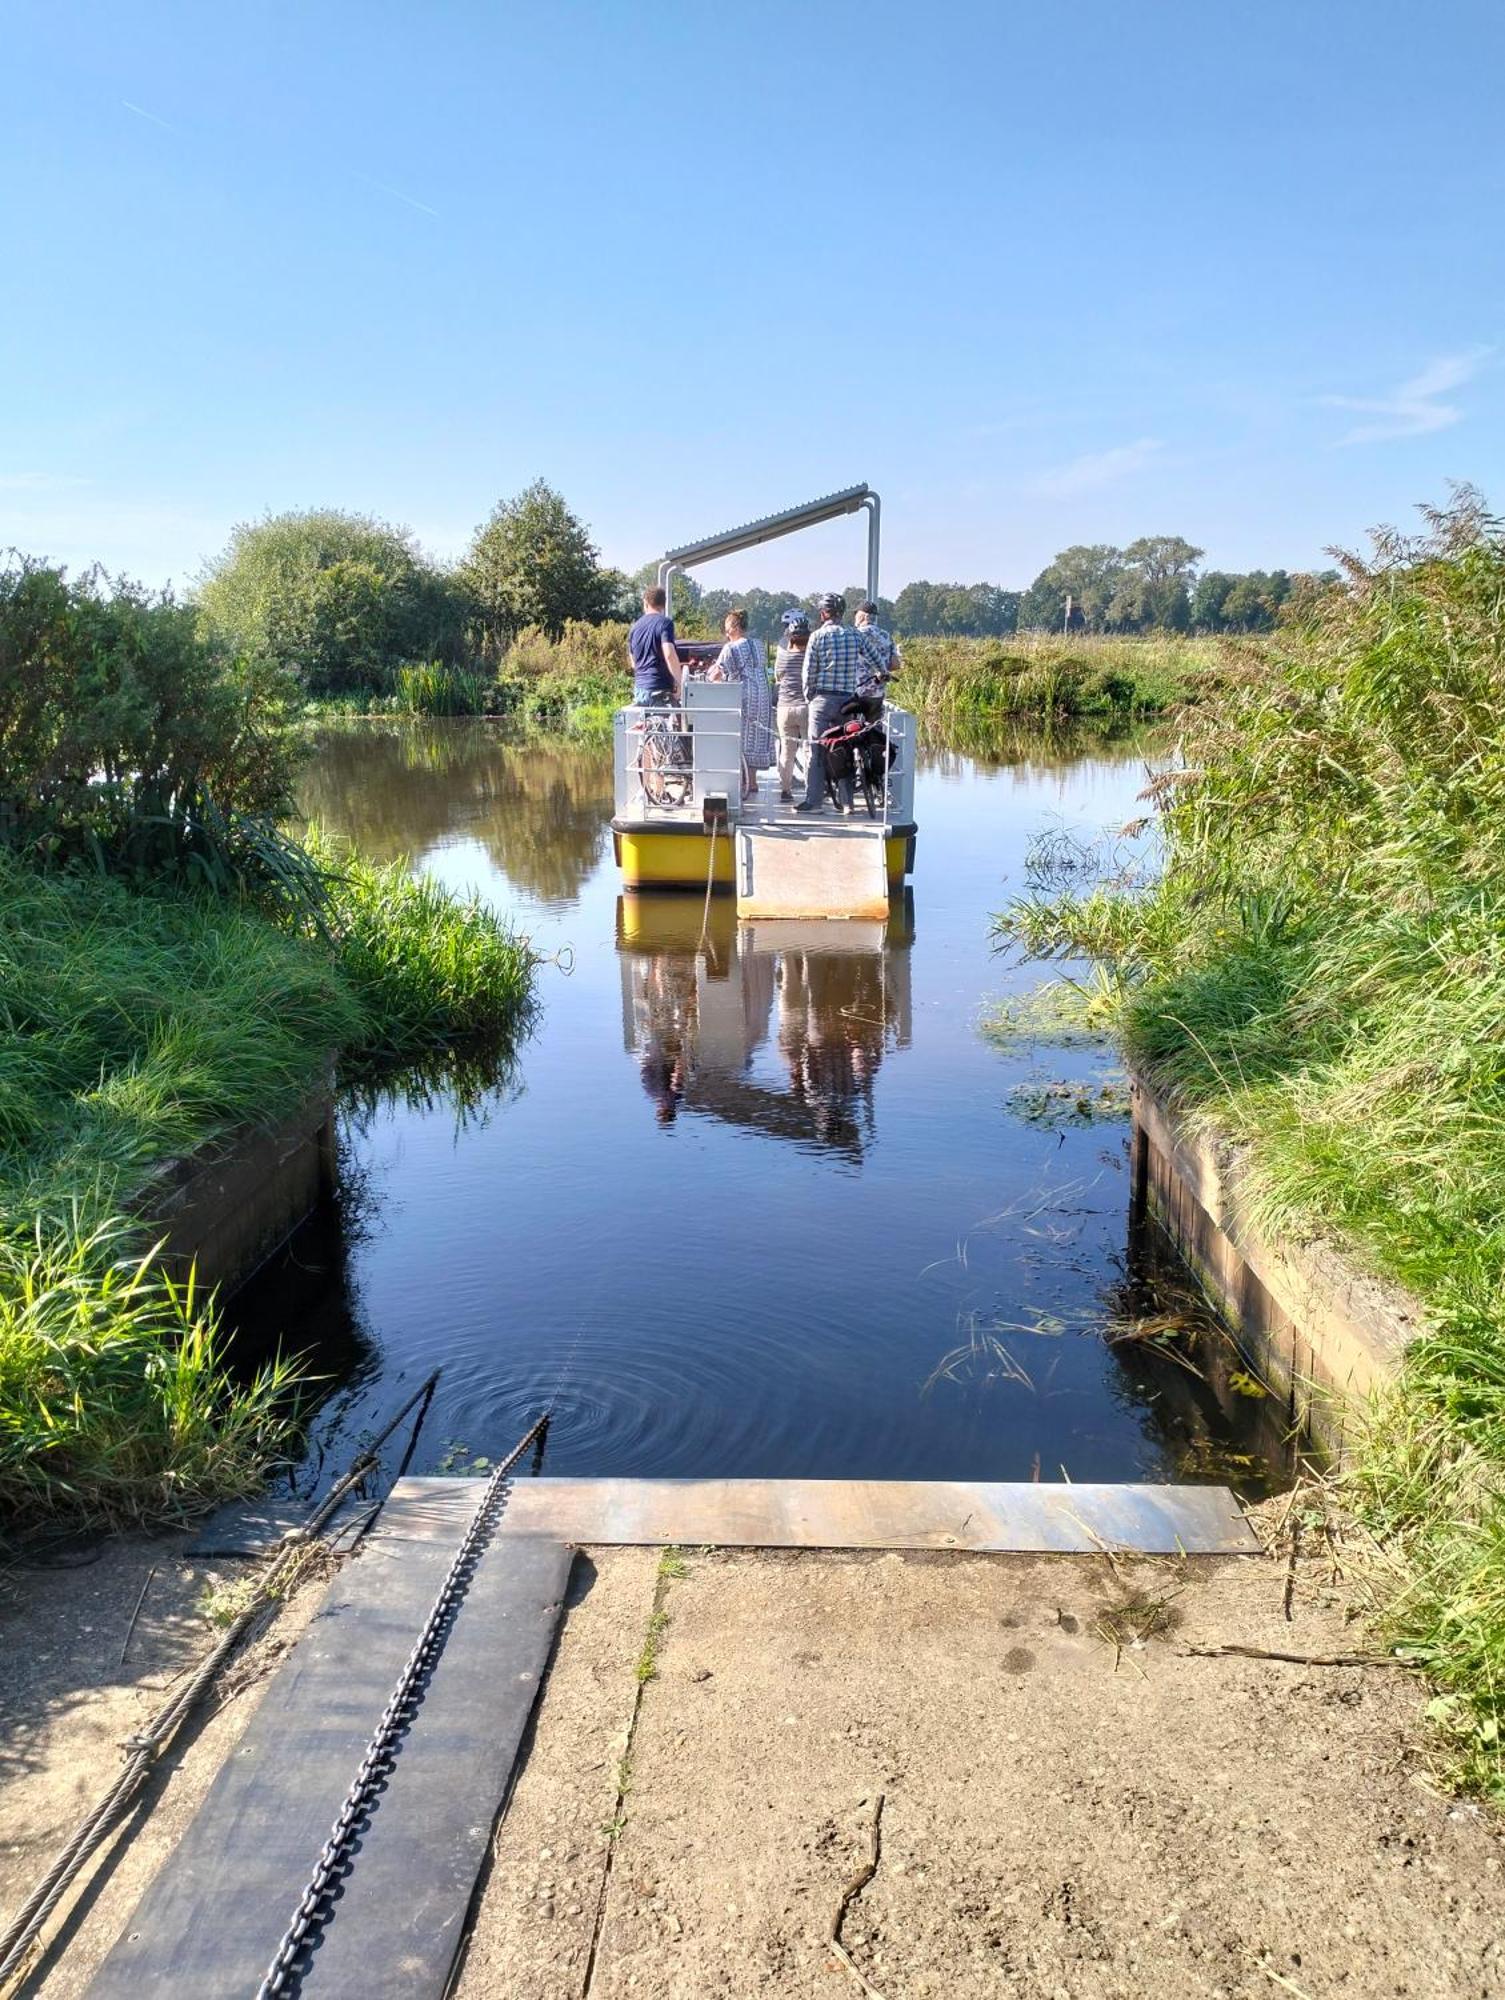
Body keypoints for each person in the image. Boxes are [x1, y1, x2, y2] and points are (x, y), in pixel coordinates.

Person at [796, 592, 865, 814]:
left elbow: (808, 673)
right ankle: (847, 803)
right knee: (843, 749)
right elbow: (873, 658)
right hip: (847, 701)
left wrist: (810, 697)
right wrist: (881, 673)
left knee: (816, 750)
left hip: (822, 700)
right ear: (841, 612)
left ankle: (814, 802)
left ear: (824, 613)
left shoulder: (817, 636)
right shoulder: (855, 635)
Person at [710, 608, 775, 798]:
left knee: (740, 737)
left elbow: (717, 673)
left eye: (726, 627)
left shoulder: (731, 648)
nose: (725, 632)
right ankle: (753, 782)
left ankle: (741, 781)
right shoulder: (758, 644)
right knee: (756, 737)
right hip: (763, 694)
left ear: (734, 627)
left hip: (744, 696)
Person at [772, 609, 810, 802]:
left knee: (786, 751)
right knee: (809, 750)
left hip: (785, 708)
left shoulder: (783, 656)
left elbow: (778, 676)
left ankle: (785, 791)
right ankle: (811, 793)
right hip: (805, 707)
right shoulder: (810, 657)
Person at [628, 585, 682, 704]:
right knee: (664, 722)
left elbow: (633, 663)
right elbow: (669, 654)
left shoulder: (635, 627)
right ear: (663, 604)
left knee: (643, 723)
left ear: (645, 603)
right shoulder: (665, 623)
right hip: (659, 690)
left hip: (640, 690)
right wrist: (679, 683)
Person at [854, 601, 902, 684]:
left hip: (857, 689)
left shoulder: (855, 635)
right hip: (878, 691)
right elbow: (895, 664)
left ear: (865, 616)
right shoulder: (886, 636)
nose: (855, 617)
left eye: (856, 614)